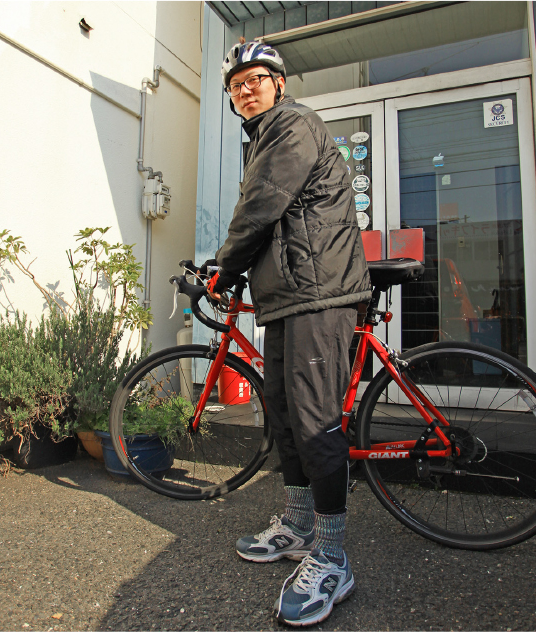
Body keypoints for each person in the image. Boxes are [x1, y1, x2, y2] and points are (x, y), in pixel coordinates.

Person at [207, 39, 370, 627]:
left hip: (319, 294)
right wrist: (225, 269)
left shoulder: (293, 125)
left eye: (256, 78)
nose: (246, 88)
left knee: (315, 420)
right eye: (236, 83)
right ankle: (300, 527)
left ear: (279, 84)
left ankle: (332, 557)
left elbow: (263, 204)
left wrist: (224, 266)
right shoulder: (265, 137)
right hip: (286, 299)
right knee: (283, 414)